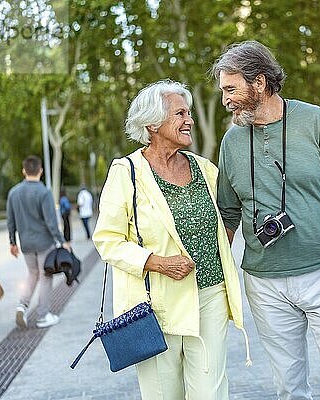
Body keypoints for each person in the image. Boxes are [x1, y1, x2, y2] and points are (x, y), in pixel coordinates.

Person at [212, 41, 320, 400]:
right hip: (265, 286)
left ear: (260, 83)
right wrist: (215, 277)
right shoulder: (232, 141)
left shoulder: (315, 121)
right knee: (289, 388)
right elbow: (228, 213)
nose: (225, 99)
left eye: (230, 89)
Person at [93, 80, 250, 400]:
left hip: (210, 297)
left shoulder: (205, 169)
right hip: (156, 303)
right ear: (152, 124)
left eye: (188, 113)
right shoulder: (127, 172)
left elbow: (228, 220)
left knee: (211, 391)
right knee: (164, 394)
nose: (188, 120)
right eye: (180, 113)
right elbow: (107, 239)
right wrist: (157, 263)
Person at [6, 155, 70, 329]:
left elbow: (10, 221)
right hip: (44, 243)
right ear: (40, 171)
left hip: (25, 244)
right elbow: (51, 222)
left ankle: (22, 305)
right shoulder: (44, 192)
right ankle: (43, 315)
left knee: (32, 274)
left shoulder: (13, 193)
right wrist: (62, 241)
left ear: (24, 171)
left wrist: (12, 242)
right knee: (45, 276)